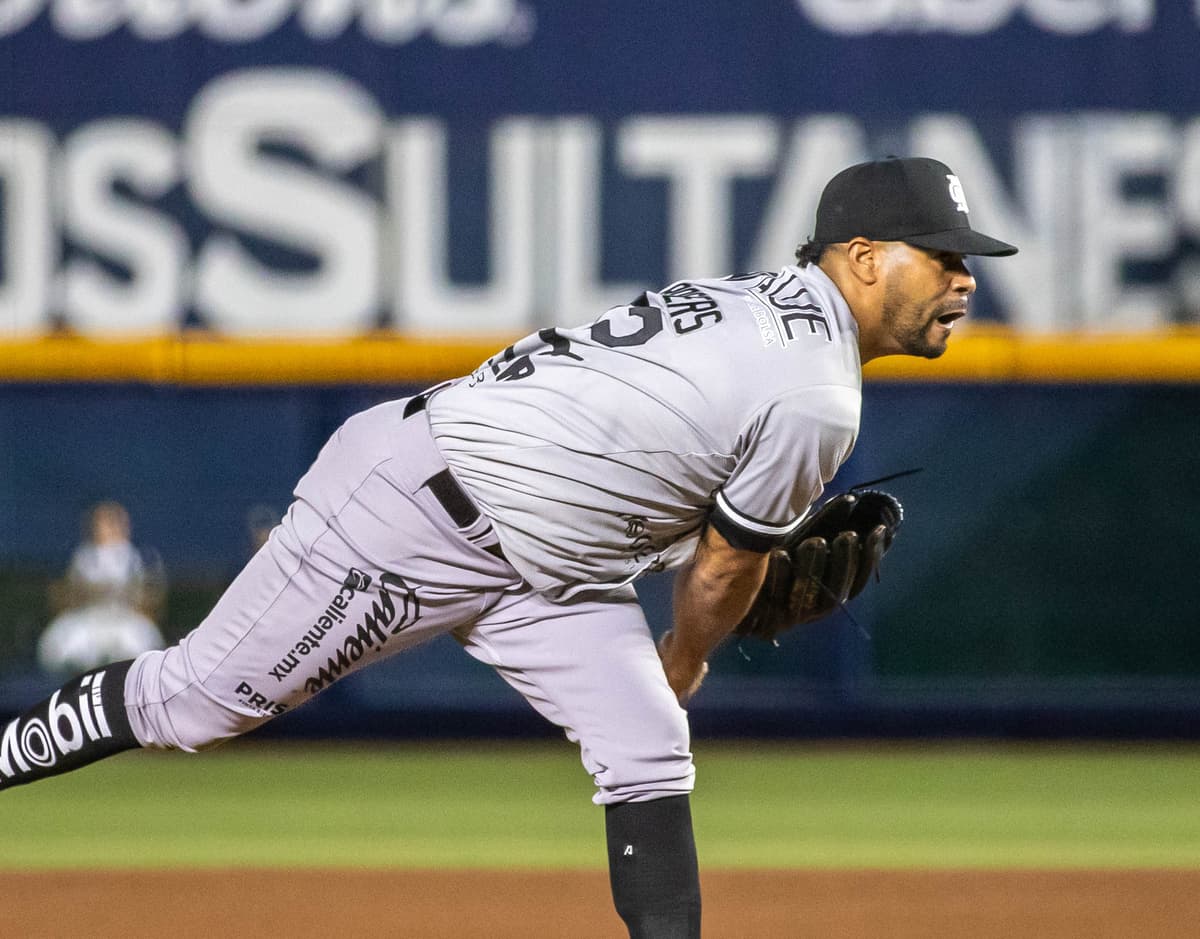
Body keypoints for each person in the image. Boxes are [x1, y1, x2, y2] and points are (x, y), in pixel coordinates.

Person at [0, 157, 1016, 938]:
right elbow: (723, 564)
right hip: (415, 514)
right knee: (194, 704)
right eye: (945, 255)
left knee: (648, 747)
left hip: (547, 561)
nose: (964, 279)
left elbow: (657, 470)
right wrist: (688, 655)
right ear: (865, 256)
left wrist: (685, 626)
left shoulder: (762, 304)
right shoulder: (819, 393)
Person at [36, 501, 166, 675]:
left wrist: (132, 594)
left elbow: (149, 598)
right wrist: (91, 591)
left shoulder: (134, 557)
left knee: (138, 650)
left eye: (115, 522)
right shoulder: (84, 556)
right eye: (105, 522)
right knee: (64, 648)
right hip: (89, 618)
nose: (110, 527)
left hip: (124, 618)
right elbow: (69, 595)